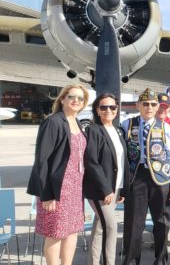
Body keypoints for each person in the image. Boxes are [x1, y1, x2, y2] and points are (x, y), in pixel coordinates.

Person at [27, 84, 89, 265]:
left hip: (75, 188)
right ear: (62, 99)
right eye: (71, 97)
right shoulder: (53, 121)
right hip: (56, 188)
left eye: (80, 98)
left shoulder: (77, 122)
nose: (76, 100)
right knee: (55, 233)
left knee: (71, 231)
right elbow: (41, 160)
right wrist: (47, 194)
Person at [121, 88, 170, 265]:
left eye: (153, 104)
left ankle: (160, 259)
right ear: (138, 105)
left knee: (162, 221)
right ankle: (131, 260)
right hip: (136, 177)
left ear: (158, 107)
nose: (149, 107)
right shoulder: (127, 124)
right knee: (133, 222)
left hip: (160, 178)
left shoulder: (164, 127)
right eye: (145, 104)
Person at [84, 93, 129, 265]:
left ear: (117, 110)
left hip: (115, 188)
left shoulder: (118, 130)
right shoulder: (93, 130)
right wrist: (106, 189)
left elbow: (122, 161)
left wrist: (122, 188)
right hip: (100, 190)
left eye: (112, 107)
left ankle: (93, 262)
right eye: (103, 107)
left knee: (99, 228)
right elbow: (92, 162)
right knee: (111, 227)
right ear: (97, 109)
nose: (108, 110)